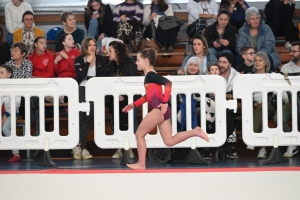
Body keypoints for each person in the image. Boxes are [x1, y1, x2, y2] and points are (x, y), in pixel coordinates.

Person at [122, 48, 209, 170]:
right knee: (169, 141)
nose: (136, 63)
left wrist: (164, 102)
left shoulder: (151, 75)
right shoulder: (150, 75)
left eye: (138, 60)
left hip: (159, 110)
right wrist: (134, 104)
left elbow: (168, 84)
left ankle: (141, 164)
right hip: (163, 111)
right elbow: (149, 96)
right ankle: (195, 132)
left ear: (146, 61)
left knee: (139, 134)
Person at [246, 52, 289, 158]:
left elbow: (282, 92)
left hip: (269, 103)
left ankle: (252, 138)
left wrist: (288, 103)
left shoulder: (273, 76)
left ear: (266, 63)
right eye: (256, 60)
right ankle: (262, 149)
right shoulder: (249, 76)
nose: (257, 62)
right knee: (256, 113)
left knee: (261, 110)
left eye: (260, 60)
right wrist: (253, 102)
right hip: (254, 103)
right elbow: (245, 92)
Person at [73, 37, 107, 160]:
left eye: (94, 45)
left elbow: (102, 76)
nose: (92, 47)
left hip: (95, 90)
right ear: (84, 47)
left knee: (92, 116)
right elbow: (81, 77)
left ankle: (78, 144)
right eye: (89, 45)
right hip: (82, 90)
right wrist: (87, 63)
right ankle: (83, 149)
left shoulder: (101, 59)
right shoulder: (78, 59)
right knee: (81, 118)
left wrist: (87, 71)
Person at [106, 41, 138, 159]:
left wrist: (123, 95)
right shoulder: (110, 65)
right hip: (115, 100)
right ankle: (119, 149)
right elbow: (108, 82)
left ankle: (130, 149)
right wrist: (116, 94)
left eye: (110, 51)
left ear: (117, 52)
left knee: (131, 123)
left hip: (130, 100)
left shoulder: (130, 63)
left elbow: (131, 81)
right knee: (116, 124)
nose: (108, 53)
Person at [274, 41, 300, 157]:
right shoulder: (285, 67)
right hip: (289, 102)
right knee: (278, 118)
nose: (291, 53)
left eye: (294, 51)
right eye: (290, 51)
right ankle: (292, 142)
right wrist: (288, 101)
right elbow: (281, 89)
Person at [235, 7, 281, 71]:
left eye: (257, 18)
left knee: (268, 58)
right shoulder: (242, 31)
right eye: (252, 19)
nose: (255, 21)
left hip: (265, 53)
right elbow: (239, 47)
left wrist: (256, 55)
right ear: (247, 21)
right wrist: (249, 55)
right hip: (248, 55)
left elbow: (269, 46)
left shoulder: (266, 29)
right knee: (238, 59)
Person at [218, 52, 240, 158]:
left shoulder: (237, 76)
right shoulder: (213, 72)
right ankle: (211, 147)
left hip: (230, 106)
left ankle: (232, 147)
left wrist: (228, 96)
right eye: (220, 62)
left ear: (230, 64)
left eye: (224, 62)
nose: (221, 64)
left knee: (227, 114)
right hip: (214, 104)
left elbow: (238, 94)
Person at [0, 64, 22, 162]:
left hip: (12, 113)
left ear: (9, 75)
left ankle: (16, 153)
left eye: (1, 73)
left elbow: (16, 103)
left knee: (5, 128)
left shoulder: (14, 85)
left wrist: (6, 114)